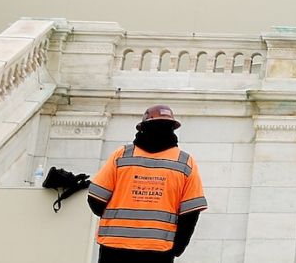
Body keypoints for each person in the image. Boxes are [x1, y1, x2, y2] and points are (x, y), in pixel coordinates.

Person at [88, 105, 208, 261]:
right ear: (172, 129)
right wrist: (177, 248)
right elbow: (190, 214)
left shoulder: (122, 155)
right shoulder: (185, 162)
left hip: (115, 246)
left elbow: (95, 200)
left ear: (142, 128)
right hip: (159, 250)